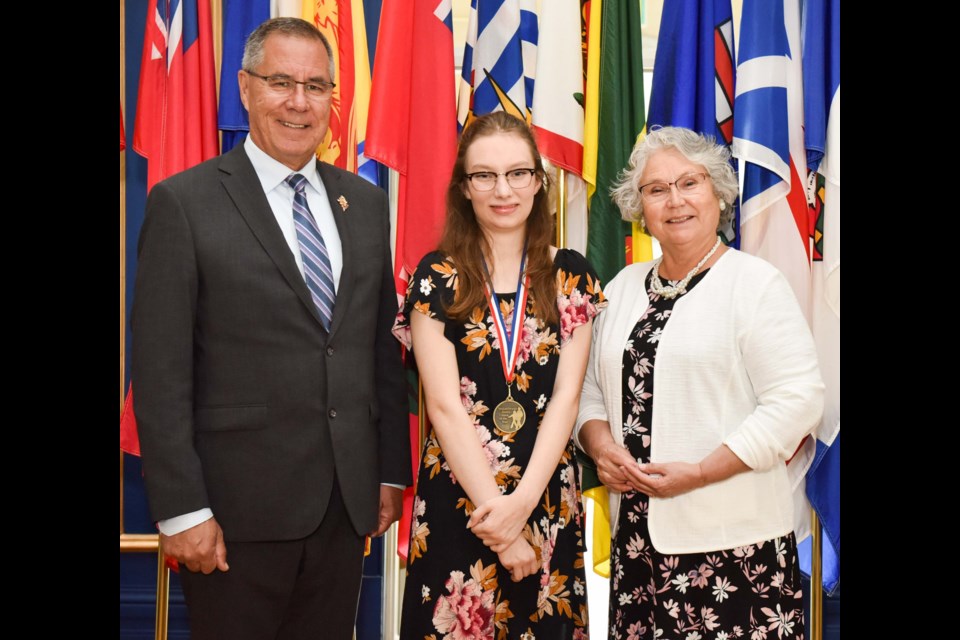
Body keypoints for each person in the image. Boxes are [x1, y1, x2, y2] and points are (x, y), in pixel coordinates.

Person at [131, 17, 409, 639]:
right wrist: (181, 509)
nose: (299, 102)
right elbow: (159, 370)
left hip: (344, 508)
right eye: (281, 82)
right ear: (245, 88)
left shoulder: (362, 204)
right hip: (234, 516)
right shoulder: (186, 202)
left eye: (316, 86)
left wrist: (389, 472)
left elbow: (375, 349)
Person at [575, 126, 824, 640]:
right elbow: (591, 391)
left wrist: (703, 472)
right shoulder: (620, 289)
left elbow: (798, 402)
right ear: (639, 206)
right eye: (656, 189)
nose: (675, 201)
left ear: (718, 193)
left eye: (690, 183)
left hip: (736, 553)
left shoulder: (755, 285)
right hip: (638, 549)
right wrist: (601, 450)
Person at [393, 112, 605, 639]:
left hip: (544, 498)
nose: (502, 190)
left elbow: (566, 399)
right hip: (460, 498)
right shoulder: (435, 276)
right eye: (484, 175)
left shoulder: (572, 274)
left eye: (517, 173)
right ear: (464, 188)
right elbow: (442, 408)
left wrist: (524, 507)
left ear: (539, 181)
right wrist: (503, 529)